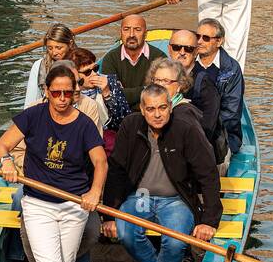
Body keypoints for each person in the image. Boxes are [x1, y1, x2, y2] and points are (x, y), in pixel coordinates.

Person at [103, 84, 221, 262]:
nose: (157, 115)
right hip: (138, 197)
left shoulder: (186, 128)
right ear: (141, 108)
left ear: (170, 108)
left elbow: (208, 173)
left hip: (176, 200)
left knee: (175, 242)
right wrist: (109, 215)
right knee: (126, 234)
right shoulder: (131, 125)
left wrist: (209, 221)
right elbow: (116, 170)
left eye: (162, 108)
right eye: (151, 109)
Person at [0, 63, 106, 262]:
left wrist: (95, 192)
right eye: (56, 93)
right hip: (38, 203)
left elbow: (101, 161)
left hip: (73, 203)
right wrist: (7, 162)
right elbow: (0, 146)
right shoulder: (33, 115)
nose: (62, 98)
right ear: (47, 92)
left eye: (67, 93)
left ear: (74, 94)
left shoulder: (84, 124)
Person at [167, 29, 227, 163]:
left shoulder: (205, 82)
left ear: (195, 52)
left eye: (188, 49)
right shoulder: (162, 75)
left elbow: (208, 126)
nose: (182, 53)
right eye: (177, 48)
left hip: (199, 150)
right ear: (169, 49)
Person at [195, 17, 244, 156]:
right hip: (191, 130)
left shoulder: (232, 70)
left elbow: (231, 113)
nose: (199, 41)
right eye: (197, 36)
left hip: (223, 135)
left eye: (205, 38)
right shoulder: (189, 62)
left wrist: (203, 132)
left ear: (219, 41)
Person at [99, 15, 164, 108]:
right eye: (126, 29)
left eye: (137, 30)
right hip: (120, 114)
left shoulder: (159, 57)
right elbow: (113, 95)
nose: (131, 35)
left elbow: (160, 93)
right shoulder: (110, 59)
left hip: (151, 113)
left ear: (145, 34)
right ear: (120, 32)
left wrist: (123, 93)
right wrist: (146, 89)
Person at [24, 23, 76, 106]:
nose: (54, 53)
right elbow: (31, 100)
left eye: (59, 48)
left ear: (70, 44)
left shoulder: (81, 62)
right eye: (50, 48)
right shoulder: (39, 66)